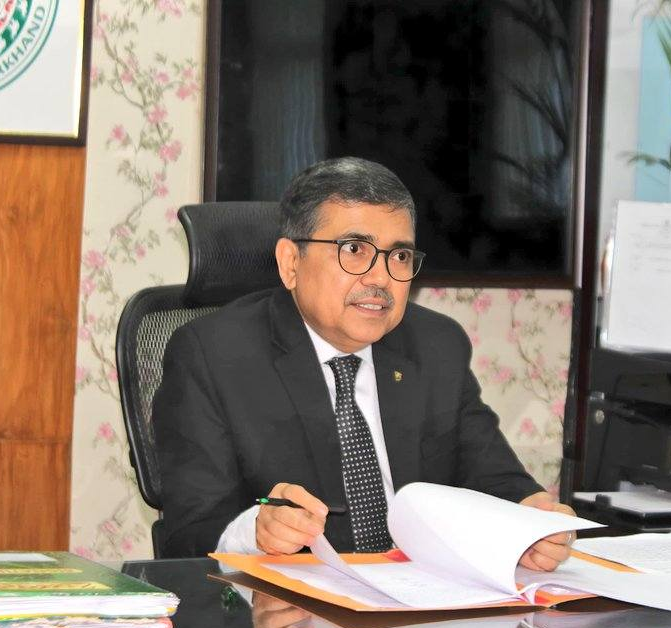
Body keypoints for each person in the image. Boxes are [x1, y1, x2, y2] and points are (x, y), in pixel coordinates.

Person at [153, 157, 574, 569]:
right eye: (354, 250)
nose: (380, 278)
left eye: (400, 256)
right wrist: (255, 531)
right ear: (290, 263)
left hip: (423, 596)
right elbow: (187, 533)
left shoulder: (437, 346)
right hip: (293, 607)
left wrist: (533, 517)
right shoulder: (212, 355)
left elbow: (495, 477)